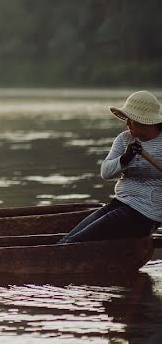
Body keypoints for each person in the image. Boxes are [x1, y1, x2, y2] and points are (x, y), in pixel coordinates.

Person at [60, 90, 162, 244]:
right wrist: (124, 159)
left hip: (144, 214)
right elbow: (105, 173)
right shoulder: (124, 139)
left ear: (146, 122)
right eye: (127, 118)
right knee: (67, 240)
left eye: (131, 119)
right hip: (119, 203)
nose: (126, 123)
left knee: (74, 243)